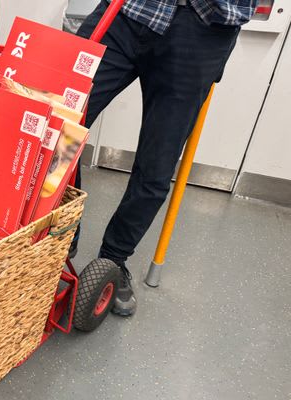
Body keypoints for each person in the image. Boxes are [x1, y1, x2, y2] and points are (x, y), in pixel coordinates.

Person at [71, 0, 257, 316]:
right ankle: (61, 236)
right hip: (129, 10)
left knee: (155, 167)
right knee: (58, 126)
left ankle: (113, 260)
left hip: (203, 28)